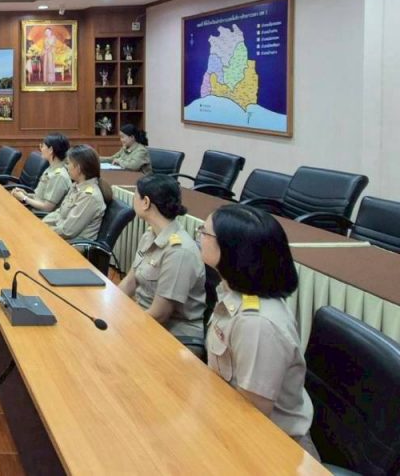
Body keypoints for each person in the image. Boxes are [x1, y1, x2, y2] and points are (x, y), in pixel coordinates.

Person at [199, 205, 321, 460]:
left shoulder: (257, 324)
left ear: (232, 250)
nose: (199, 235)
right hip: (230, 422)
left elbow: (251, 416)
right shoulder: (234, 293)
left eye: (205, 232)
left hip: (275, 451)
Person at [118, 174, 206, 341]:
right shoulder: (150, 234)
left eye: (135, 195)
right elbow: (130, 281)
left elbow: (160, 314)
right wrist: (109, 306)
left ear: (146, 202)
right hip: (143, 318)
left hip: (173, 335)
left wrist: (123, 326)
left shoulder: (179, 252)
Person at [43, 144, 109, 240]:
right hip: (59, 236)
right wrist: (42, 224)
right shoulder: (76, 186)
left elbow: (67, 231)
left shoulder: (89, 197)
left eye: (68, 163)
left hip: (70, 244)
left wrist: (44, 230)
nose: (66, 167)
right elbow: (60, 213)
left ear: (78, 168)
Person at [12, 133, 72, 213]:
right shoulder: (51, 168)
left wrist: (24, 198)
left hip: (39, 216)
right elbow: (40, 198)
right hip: (33, 209)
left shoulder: (58, 176)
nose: (41, 149)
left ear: (50, 150)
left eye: (42, 146)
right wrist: (26, 194)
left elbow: (47, 208)